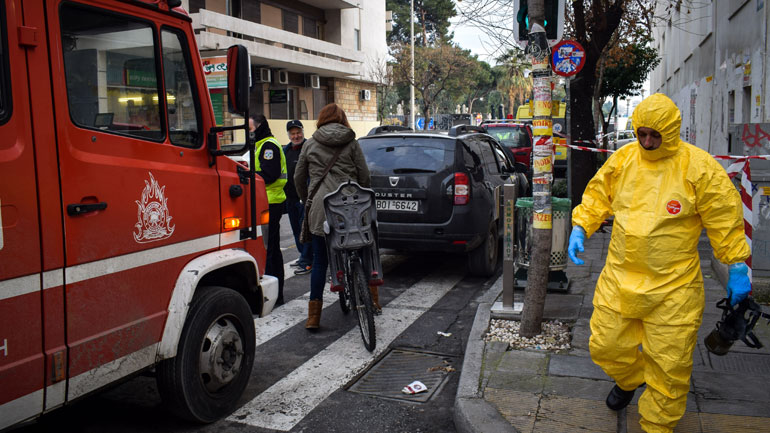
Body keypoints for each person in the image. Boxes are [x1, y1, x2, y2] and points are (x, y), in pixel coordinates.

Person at [567, 93, 751, 433]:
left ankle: (657, 425)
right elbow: (598, 194)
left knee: (669, 365)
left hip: (674, 287)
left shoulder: (698, 168)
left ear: (672, 132)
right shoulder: (623, 160)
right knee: (605, 345)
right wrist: (581, 226)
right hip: (620, 277)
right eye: (642, 134)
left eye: (656, 135)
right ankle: (632, 378)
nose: (648, 142)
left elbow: (724, 216)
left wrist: (737, 264)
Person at [294, 104, 377, 329]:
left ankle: (313, 317)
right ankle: (373, 299)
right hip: (351, 208)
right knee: (364, 249)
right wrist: (361, 196)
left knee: (320, 261)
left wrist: (306, 200)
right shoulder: (351, 143)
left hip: (322, 208)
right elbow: (364, 176)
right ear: (342, 119)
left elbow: (298, 178)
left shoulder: (309, 144)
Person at [250, 114, 287, 306]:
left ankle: (277, 294)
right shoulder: (260, 145)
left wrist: (247, 174)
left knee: (270, 249)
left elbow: (270, 175)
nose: (249, 133)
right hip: (264, 202)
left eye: (250, 129)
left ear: (259, 127)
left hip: (271, 202)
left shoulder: (268, 146)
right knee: (267, 247)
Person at [283, 120, 314, 275]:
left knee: (305, 230)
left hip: (306, 198)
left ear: (303, 131)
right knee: (296, 230)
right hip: (291, 198)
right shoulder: (286, 150)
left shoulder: (309, 147)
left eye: (298, 132)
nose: (296, 136)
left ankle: (308, 260)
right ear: (289, 135)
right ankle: (303, 256)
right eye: (293, 133)